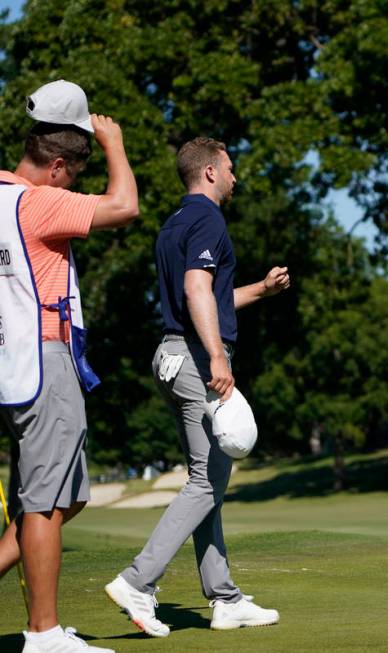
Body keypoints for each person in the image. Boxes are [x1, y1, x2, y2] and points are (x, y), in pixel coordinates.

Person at [104, 136, 288, 636]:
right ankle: (137, 582)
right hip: (194, 358)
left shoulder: (174, 224)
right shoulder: (208, 218)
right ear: (209, 172)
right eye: (229, 168)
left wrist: (263, 290)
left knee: (209, 480)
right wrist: (216, 356)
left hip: (170, 354)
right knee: (207, 481)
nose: (234, 176)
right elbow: (196, 290)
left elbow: (212, 294)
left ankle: (224, 599)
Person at [0, 80, 139, 653]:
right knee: (46, 502)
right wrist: (113, 144)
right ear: (57, 165)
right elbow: (125, 206)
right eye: (74, 173)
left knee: (61, 497)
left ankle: (45, 629)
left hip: (14, 366)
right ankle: (44, 634)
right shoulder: (38, 201)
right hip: (44, 359)